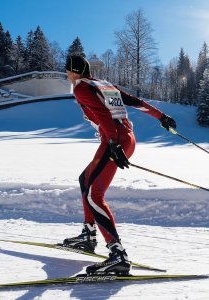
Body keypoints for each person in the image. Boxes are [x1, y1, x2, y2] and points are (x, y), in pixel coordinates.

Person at [63, 54, 176, 275]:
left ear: (75, 72)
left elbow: (104, 114)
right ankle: (88, 234)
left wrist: (113, 143)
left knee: (94, 196)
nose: (66, 75)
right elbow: (134, 101)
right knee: (85, 180)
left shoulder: (80, 89)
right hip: (126, 138)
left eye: (67, 71)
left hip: (115, 139)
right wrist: (161, 117)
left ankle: (118, 255)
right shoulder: (103, 84)